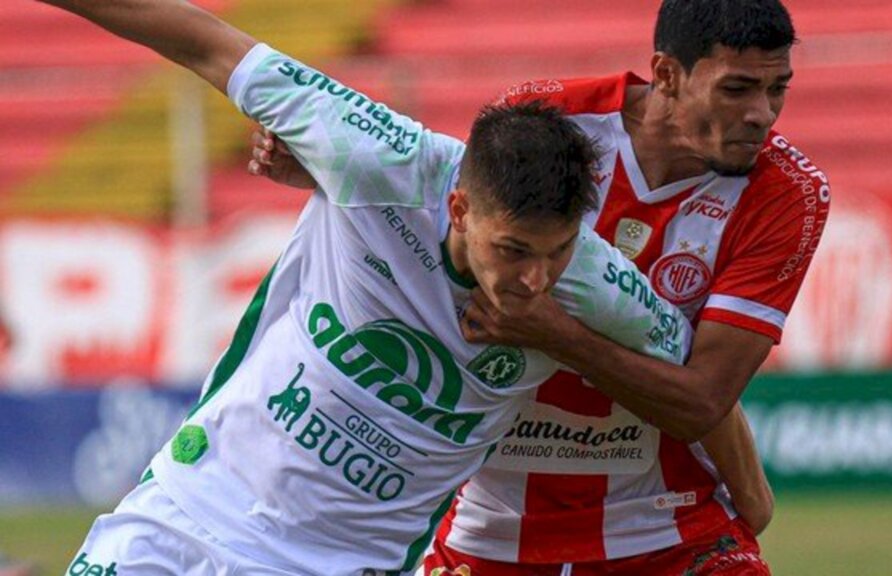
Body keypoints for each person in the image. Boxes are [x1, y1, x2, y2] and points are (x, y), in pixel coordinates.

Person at [39, 2, 768, 575]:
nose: (533, 280)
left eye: (556, 253)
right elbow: (200, 39)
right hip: (188, 509)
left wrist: (753, 497)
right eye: (513, 250)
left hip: (343, 565)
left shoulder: (600, 286)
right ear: (458, 206)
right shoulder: (377, 154)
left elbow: (697, 386)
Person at [250, 0, 829, 573]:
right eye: (738, 90)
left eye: (777, 89)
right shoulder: (544, 118)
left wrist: (557, 335)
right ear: (667, 75)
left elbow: (704, 398)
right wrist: (327, 172)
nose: (763, 113)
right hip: (491, 530)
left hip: (666, 525)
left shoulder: (788, 193)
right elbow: (445, 222)